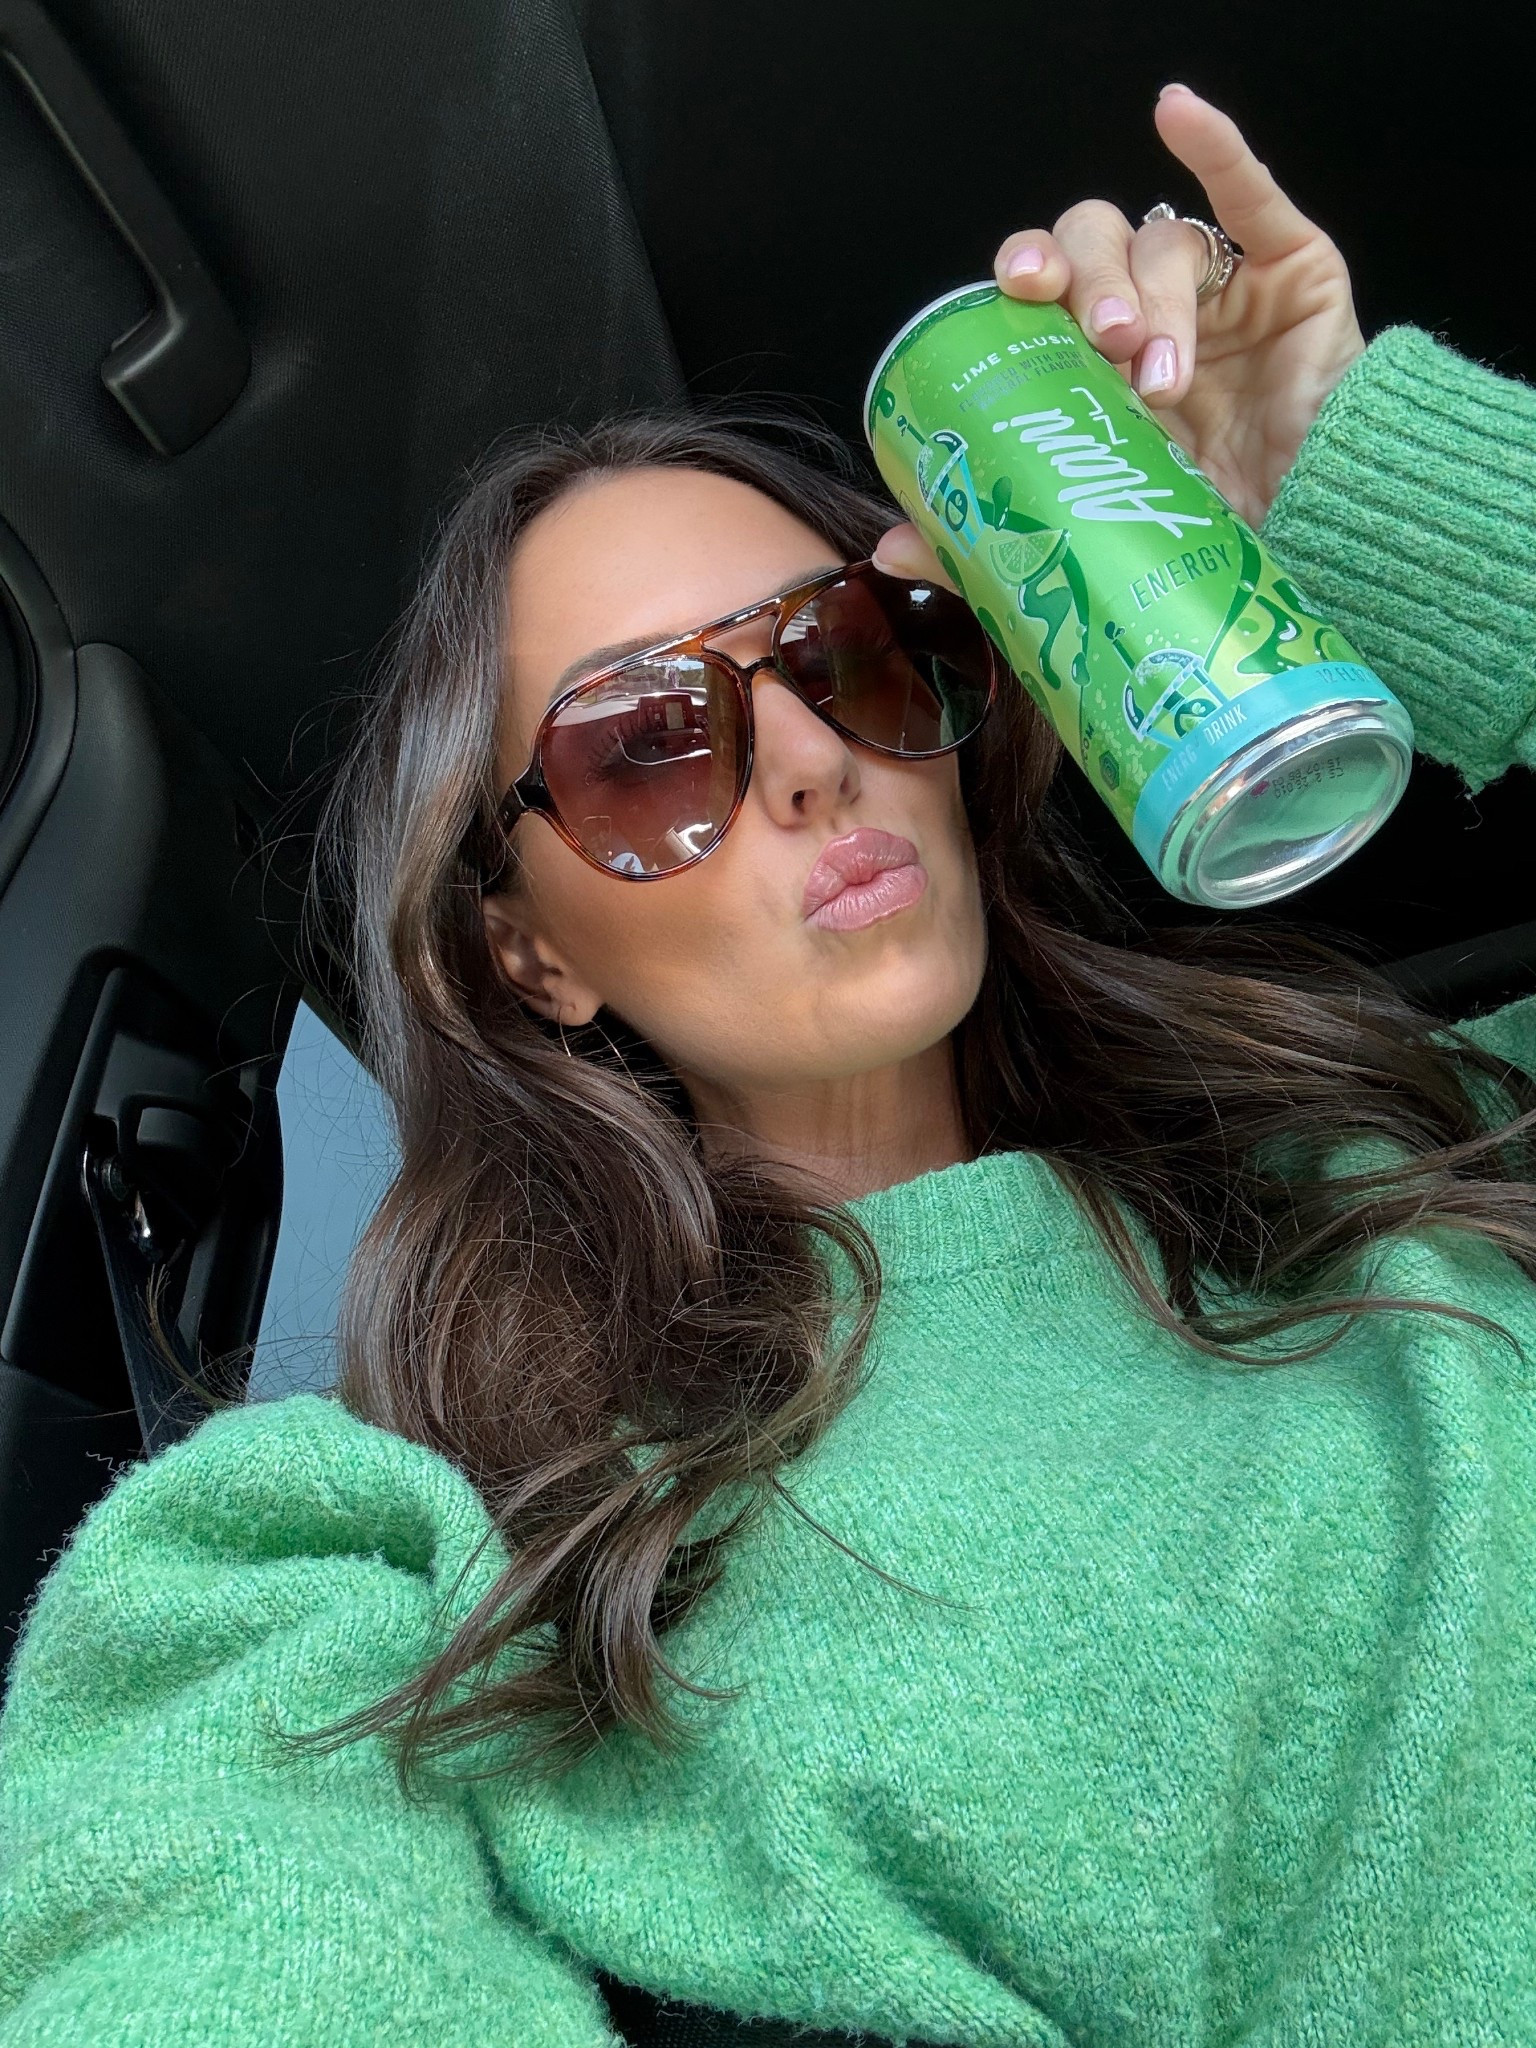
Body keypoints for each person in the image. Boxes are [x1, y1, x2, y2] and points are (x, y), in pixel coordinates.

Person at [2, 83, 1535, 2048]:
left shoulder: (1425, 1153)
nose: (813, 756)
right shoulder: (381, 1551)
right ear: (531, 951)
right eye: (647, 746)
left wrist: (1354, 473)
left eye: (861, 649)